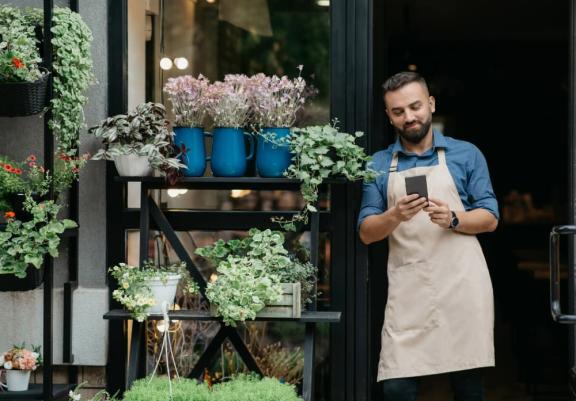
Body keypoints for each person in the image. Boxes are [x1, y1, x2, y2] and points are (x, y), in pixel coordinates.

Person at [358, 71, 499, 401]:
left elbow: (490, 218)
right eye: (398, 111)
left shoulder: (466, 154)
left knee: (468, 388)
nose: (409, 117)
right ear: (389, 117)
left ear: (431, 105)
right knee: (397, 387)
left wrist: (452, 218)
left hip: (463, 288)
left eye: (415, 106)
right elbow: (366, 233)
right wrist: (395, 215)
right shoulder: (378, 165)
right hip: (410, 291)